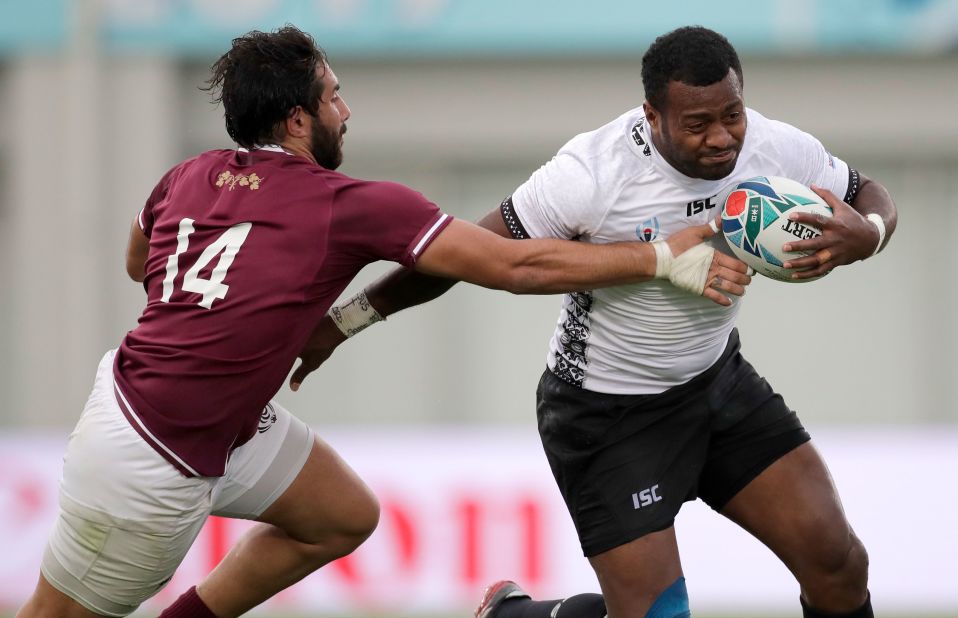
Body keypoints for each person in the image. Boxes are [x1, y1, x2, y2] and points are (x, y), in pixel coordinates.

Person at [15, 26, 751, 618]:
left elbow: (139, 261)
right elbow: (513, 265)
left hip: (171, 408)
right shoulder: (348, 201)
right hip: (152, 459)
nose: (347, 110)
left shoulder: (188, 175)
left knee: (340, 515)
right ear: (299, 118)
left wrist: (230, 327)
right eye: (335, 96)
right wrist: (661, 259)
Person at [293, 26, 897, 618]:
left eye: (731, 115)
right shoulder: (589, 175)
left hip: (719, 384)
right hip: (606, 414)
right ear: (652, 116)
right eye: (697, 124)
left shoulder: (771, 145)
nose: (722, 139)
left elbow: (866, 191)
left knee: (839, 566)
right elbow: (461, 255)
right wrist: (342, 324)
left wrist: (866, 235)